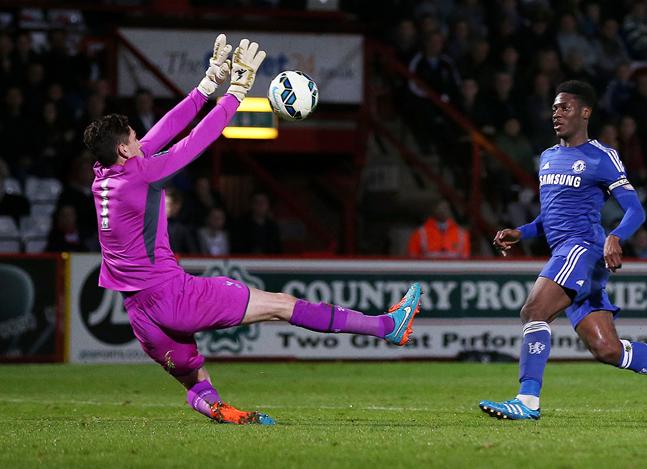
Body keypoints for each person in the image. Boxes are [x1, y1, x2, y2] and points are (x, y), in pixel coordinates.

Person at [83, 35, 422, 426]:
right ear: (124, 151)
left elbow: (158, 134)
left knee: (194, 377)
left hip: (140, 313)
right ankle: (387, 327)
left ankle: (220, 410)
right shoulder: (142, 174)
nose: (139, 140)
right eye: (132, 138)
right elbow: (195, 142)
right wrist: (236, 94)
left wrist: (205, 87)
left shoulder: (103, 175)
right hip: (174, 295)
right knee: (280, 305)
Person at [480, 80, 647, 421]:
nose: (556, 114)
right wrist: (521, 231)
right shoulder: (548, 158)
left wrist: (616, 236)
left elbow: (635, 210)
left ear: (585, 112)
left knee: (534, 311)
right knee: (607, 349)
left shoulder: (601, 157)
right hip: (568, 253)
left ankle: (528, 400)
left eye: (565, 107)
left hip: (583, 249)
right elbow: (550, 216)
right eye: (554, 108)